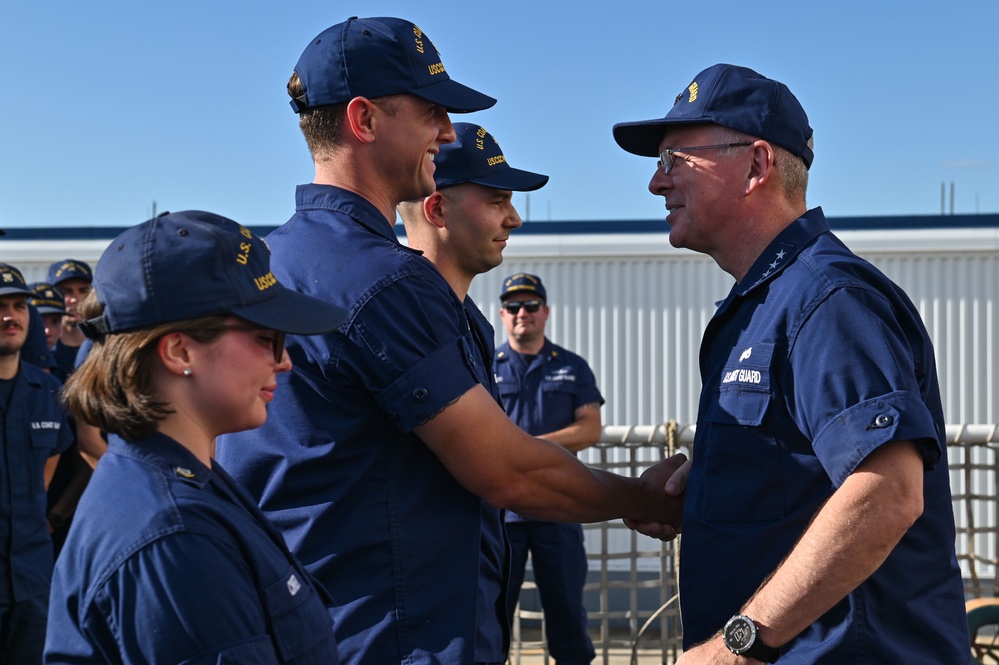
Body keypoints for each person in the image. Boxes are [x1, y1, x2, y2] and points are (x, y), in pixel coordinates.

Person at [215, 17, 685, 665]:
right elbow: (505, 469)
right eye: (431, 111)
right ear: (364, 119)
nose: (444, 131)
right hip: (399, 635)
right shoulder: (381, 279)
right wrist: (641, 498)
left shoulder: (262, 266)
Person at [613, 63, 969, 663]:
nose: (656, 182)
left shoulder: (828, 299)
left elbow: (887, 491)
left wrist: (739, 643)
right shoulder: (770, 302)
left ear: (756, 165)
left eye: (676, 160)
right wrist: (720, 485)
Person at [44, 210, 346, 664]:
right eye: (268, 338)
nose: (284, 362)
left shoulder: (185, 482)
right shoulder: (175, 537)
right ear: (180, 350)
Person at [397, 121, 547, 664]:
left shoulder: (468, 322)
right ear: (437, 210)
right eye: (498, 200)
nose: (514, 218)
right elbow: (507, 471)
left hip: (464, 615)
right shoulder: (401, 314)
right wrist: (639, 499)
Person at [496, 273, 602, 665]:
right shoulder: (484, 364)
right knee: (492, 617)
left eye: (530, 305)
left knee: (567, 615)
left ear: (546, 312)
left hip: (559, 508)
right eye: (513, 306)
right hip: (501, 513)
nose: (522, 313)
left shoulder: (572, 367)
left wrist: (530, 449)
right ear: (503, 315)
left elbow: (590, 427)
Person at [0, 263, 72, 665]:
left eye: (18, 305)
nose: (10, 316)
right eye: (0, 307)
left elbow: (51, 461)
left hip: (32, 581)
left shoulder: (48, 391)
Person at [45, 259, 92, 382]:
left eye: (83, 291)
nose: (74, 299)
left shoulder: (103, 345)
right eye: (66, 291)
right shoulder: (42, 349)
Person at [27, 284, 65, 352]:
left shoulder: (70, 359)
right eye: (39, 321)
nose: (47, 332)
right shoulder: (10, 359)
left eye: (54, 321)